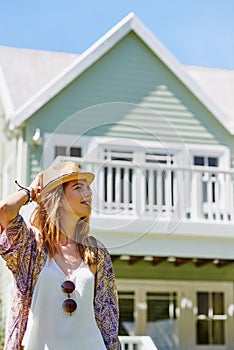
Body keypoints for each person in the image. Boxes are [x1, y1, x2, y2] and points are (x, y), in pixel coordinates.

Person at [0, 161, 122, 350]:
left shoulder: (95, 252)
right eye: (78, 187)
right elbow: (5, 209)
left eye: (88, 188)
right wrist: (31, 192)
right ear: (59, 197)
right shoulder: (31, 245)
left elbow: (108, 320)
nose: (88, 193)